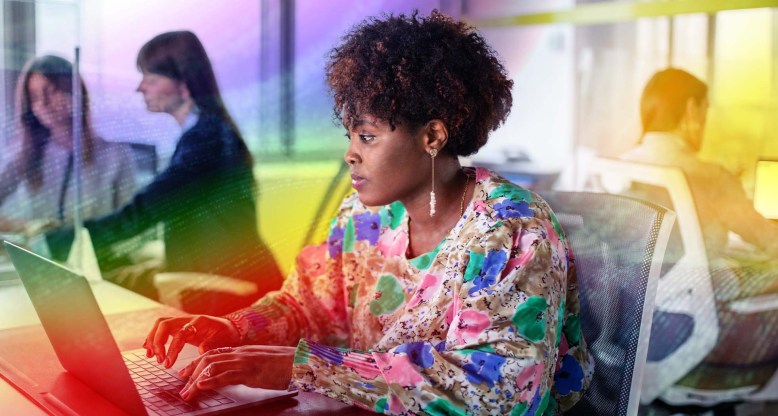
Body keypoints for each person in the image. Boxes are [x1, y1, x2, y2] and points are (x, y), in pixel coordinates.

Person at [143, 12, 593, 415]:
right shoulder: (365, 216)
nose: (350, 156)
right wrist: (233, 328)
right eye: (350, 136)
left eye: (367, 137)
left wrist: (306, 368)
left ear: (432, 136)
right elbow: (309, 307)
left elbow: (495, 395)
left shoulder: (510, 230)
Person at [45, 31, 283, 315]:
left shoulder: (206, 140)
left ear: (183, 85)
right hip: (215, 274)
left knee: (88, 292)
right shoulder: (208, 132)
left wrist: (61, 242)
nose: (140, 89)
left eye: (151, 79)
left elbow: (144, 211)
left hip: (224, 291)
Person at [621, 68, 778, 389]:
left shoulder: (620, 166)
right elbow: (773, 244)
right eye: (705, 109)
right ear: (690, 109)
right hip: (693, 320)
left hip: (629, 323)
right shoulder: (708, 176)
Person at [0, 55, 136, 233]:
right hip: (38, 256)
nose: (43, 103)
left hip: (96, 256)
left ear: (74, 92)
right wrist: (27, 227)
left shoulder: (115, 155)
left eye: (51, 91)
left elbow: (132, 222)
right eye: (34, 97)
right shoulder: (20, 157)